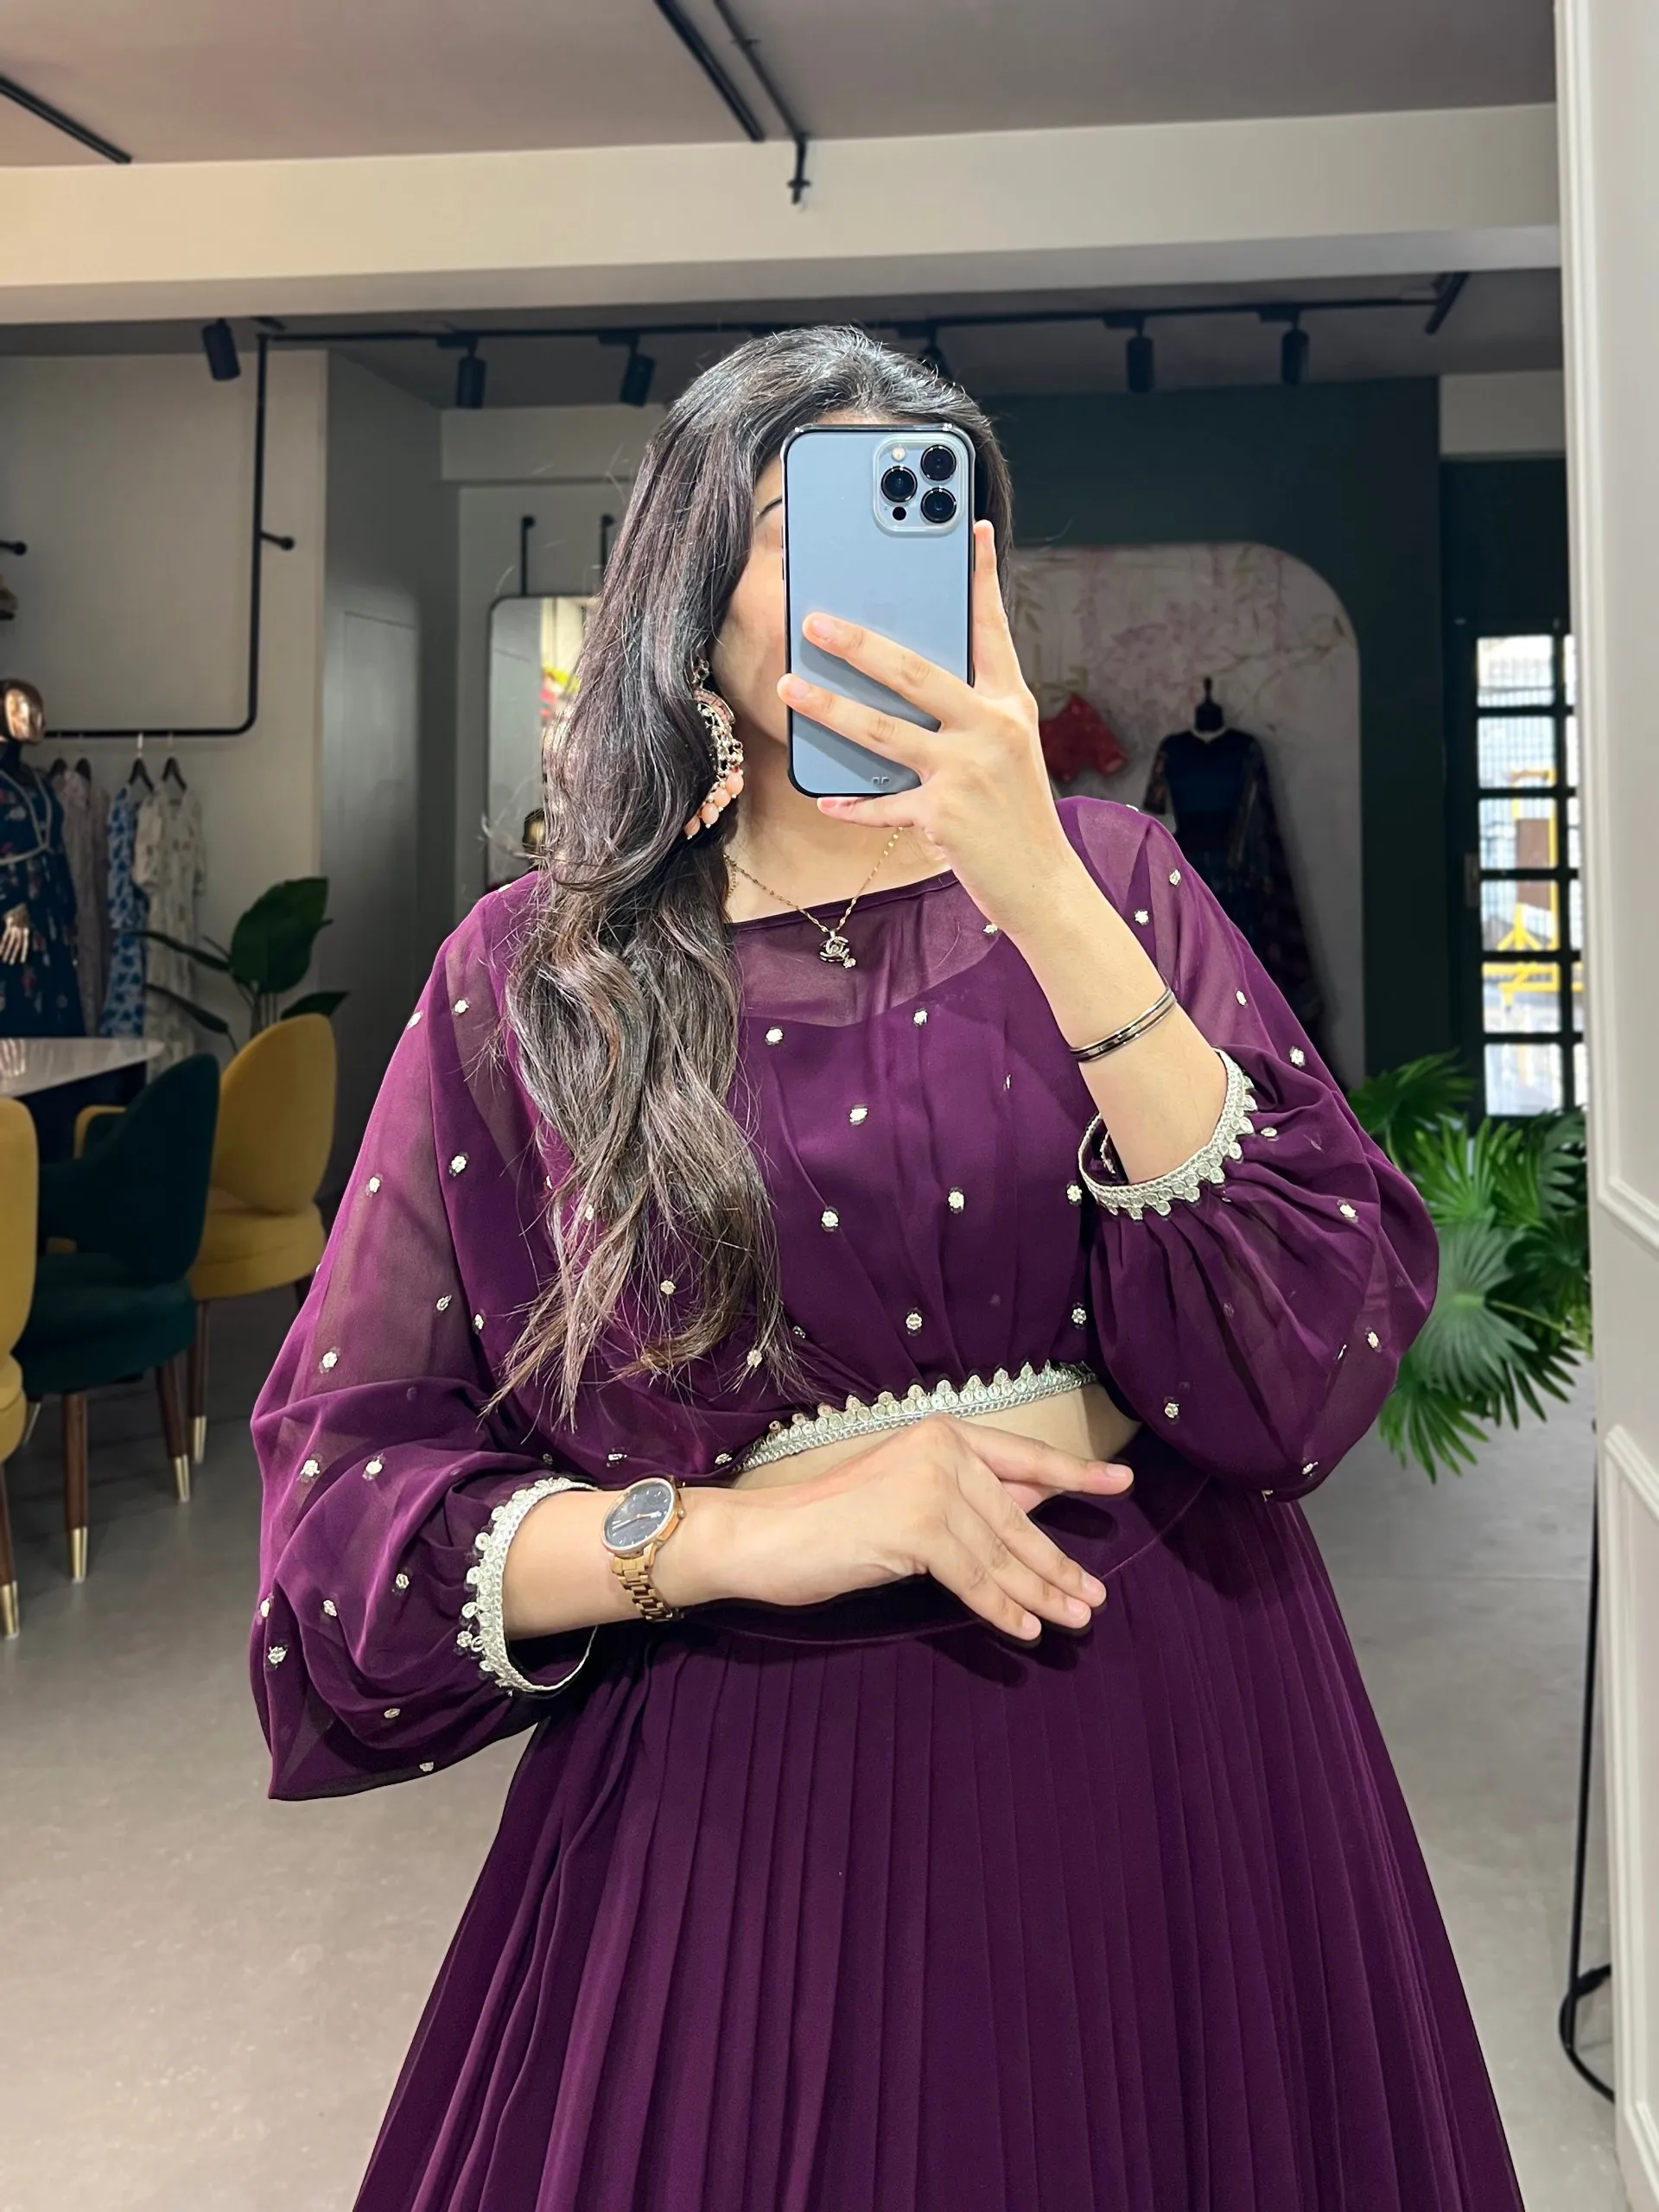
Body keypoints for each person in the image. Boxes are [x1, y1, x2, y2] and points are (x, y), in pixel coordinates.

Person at [250, 328, 1522, 2211]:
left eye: (926, 529)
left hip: (1176, 1711)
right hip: (741, 1767)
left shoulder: (1120, 880)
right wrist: (724, 1536)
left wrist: (1045, 891)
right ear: (690, 592)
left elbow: (1311, 1349)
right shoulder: (542, 980)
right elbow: (345, 1506)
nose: (870, 586)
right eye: (802, 528)